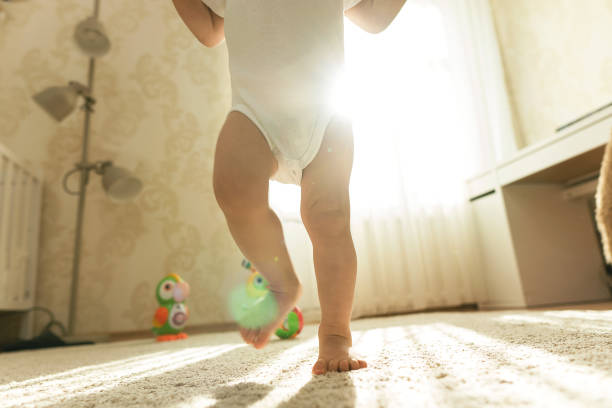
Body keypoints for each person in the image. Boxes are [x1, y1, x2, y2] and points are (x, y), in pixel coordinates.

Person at [172, 0, 405, 375]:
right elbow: (211, 30)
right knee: (232, 188)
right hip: (254, 113)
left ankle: (334, 333)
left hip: (326, 112)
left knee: (328, 218)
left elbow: (374, 17)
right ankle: (280, 280)